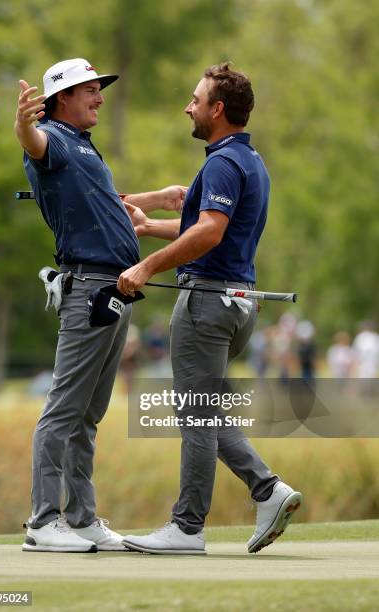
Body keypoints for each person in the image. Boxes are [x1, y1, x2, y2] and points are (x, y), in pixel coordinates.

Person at [117, 63, 302, 555]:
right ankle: (268, 490)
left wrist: (147, 267)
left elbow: (209, 232)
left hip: (206, 303)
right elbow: (207, 227)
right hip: (237, 303)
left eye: (195, 100)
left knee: (195, 415)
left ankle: (187, 528)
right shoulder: (249, 160)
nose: (188, 107)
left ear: (217, 109)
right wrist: (149, 226)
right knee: (201, 411)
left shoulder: (220, 163)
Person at [15, 57, 185, 553]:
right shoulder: (51, 139)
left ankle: (82, 517)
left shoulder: (82, 148)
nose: (100, 97)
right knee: (63, 410)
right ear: (61, 99)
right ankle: (43, 521)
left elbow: (103, 197)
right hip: (88, 289)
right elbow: (34, 145)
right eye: (90, 89)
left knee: (88, 413)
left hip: (113, 290)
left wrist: (155, 198)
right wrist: (23, 124)